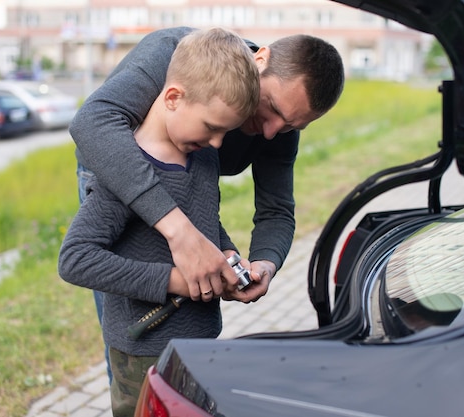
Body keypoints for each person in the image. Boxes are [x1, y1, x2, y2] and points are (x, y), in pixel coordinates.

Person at [70, 26, 344, 382]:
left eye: (292, 125)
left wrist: (262, 263)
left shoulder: (276, 129)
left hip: (190, 174)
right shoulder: (176, 54)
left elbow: (276, 209)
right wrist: (180, 233)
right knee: (131, 327)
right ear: (259, 60)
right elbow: (93, 122)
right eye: (273, 107)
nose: (271, 131)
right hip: (113, 165)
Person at [58, 27, 260, 417]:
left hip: (202, 341)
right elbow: (75, 260)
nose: (218, 143)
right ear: (173, 97)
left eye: (226, 133)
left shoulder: (201, 158)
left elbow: (202, 221)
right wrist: (173, 282)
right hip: (143, 355)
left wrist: (228, 255)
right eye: (212, 128)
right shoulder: (126, 172)